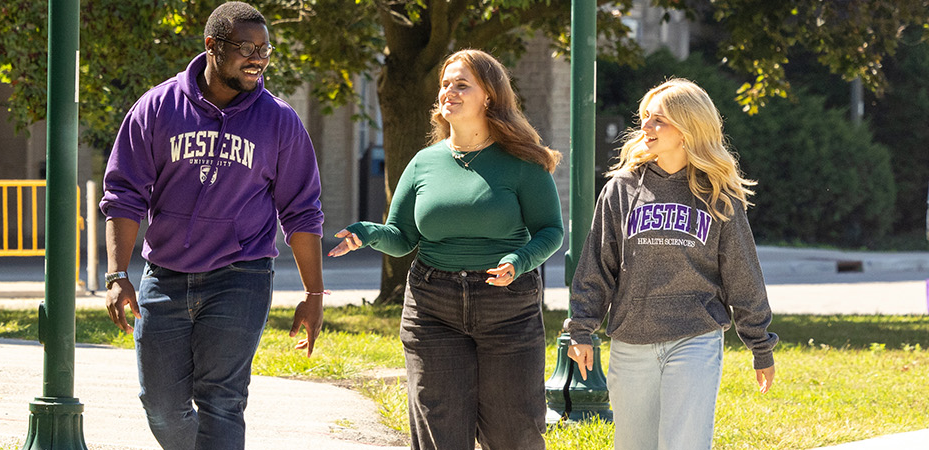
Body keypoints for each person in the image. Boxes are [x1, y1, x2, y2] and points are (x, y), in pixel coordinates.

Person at [98, 2, 327, 448]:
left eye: (265, 49)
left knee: (222, 401)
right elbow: (124, 194)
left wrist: (314, 294)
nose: (257, 58)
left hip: (241, 277)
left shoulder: (279, 121)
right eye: (246, 47)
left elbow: (301, 210)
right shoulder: (158, 107)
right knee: (162, 407)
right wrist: (116, 273)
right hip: (164, 278)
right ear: (211, 46)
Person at [327, 49, 564, 450]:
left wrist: (519, 260)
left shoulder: (523, 162)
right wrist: (367, 233)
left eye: (461, 84)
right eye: (445, 84)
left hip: (506, 306)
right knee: (439, 435)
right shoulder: (424, 163)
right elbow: (401, 238)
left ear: (488, 95)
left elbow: (551, 231)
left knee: (514, 434)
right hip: (432, 307)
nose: (448, 92)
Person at [564, 78, 777, 450]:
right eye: (645, 118)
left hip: (694, 337)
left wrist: (759, 344)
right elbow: (597, 264)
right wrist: (582, 328)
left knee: (685, 444)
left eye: (658, 120)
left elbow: (742, 274)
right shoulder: (622, 188)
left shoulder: (718, 195)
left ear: (687, 129)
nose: (645, 127)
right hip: (631, 340)